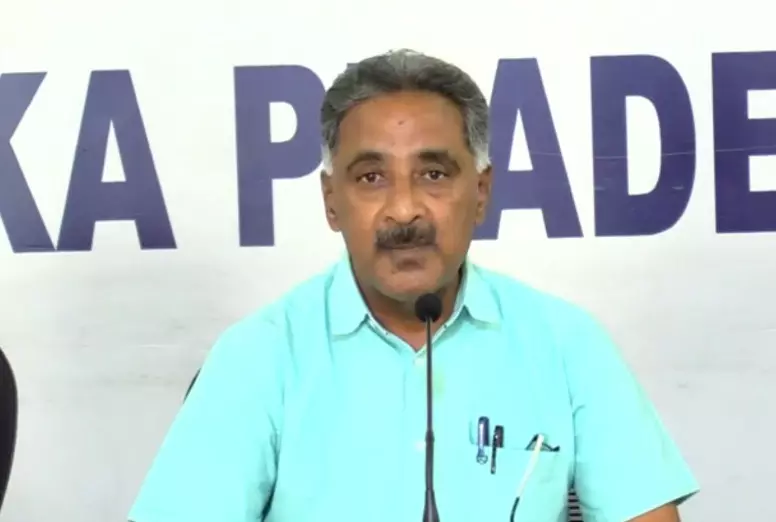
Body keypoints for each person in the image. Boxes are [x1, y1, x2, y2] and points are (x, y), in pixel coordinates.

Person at [128, 49, 699, 522]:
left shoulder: (566, 344)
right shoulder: (259, 356)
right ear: (332, 202)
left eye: (433, 174)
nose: (404, 210)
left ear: (481, 193)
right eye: (371, 177)